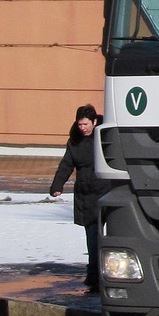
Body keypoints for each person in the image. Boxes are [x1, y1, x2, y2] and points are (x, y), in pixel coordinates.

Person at [50, 104, 113, 288]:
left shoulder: (106, 137)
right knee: (92, 237)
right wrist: (57, 185)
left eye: (85, 124)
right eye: (79, 124)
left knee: (107, 235)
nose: (82, 128)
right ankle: (94, 275)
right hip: (85, 196)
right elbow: (66, 164)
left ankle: (107, 272)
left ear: (94, 122)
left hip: (105, 192)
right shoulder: (75, 142)